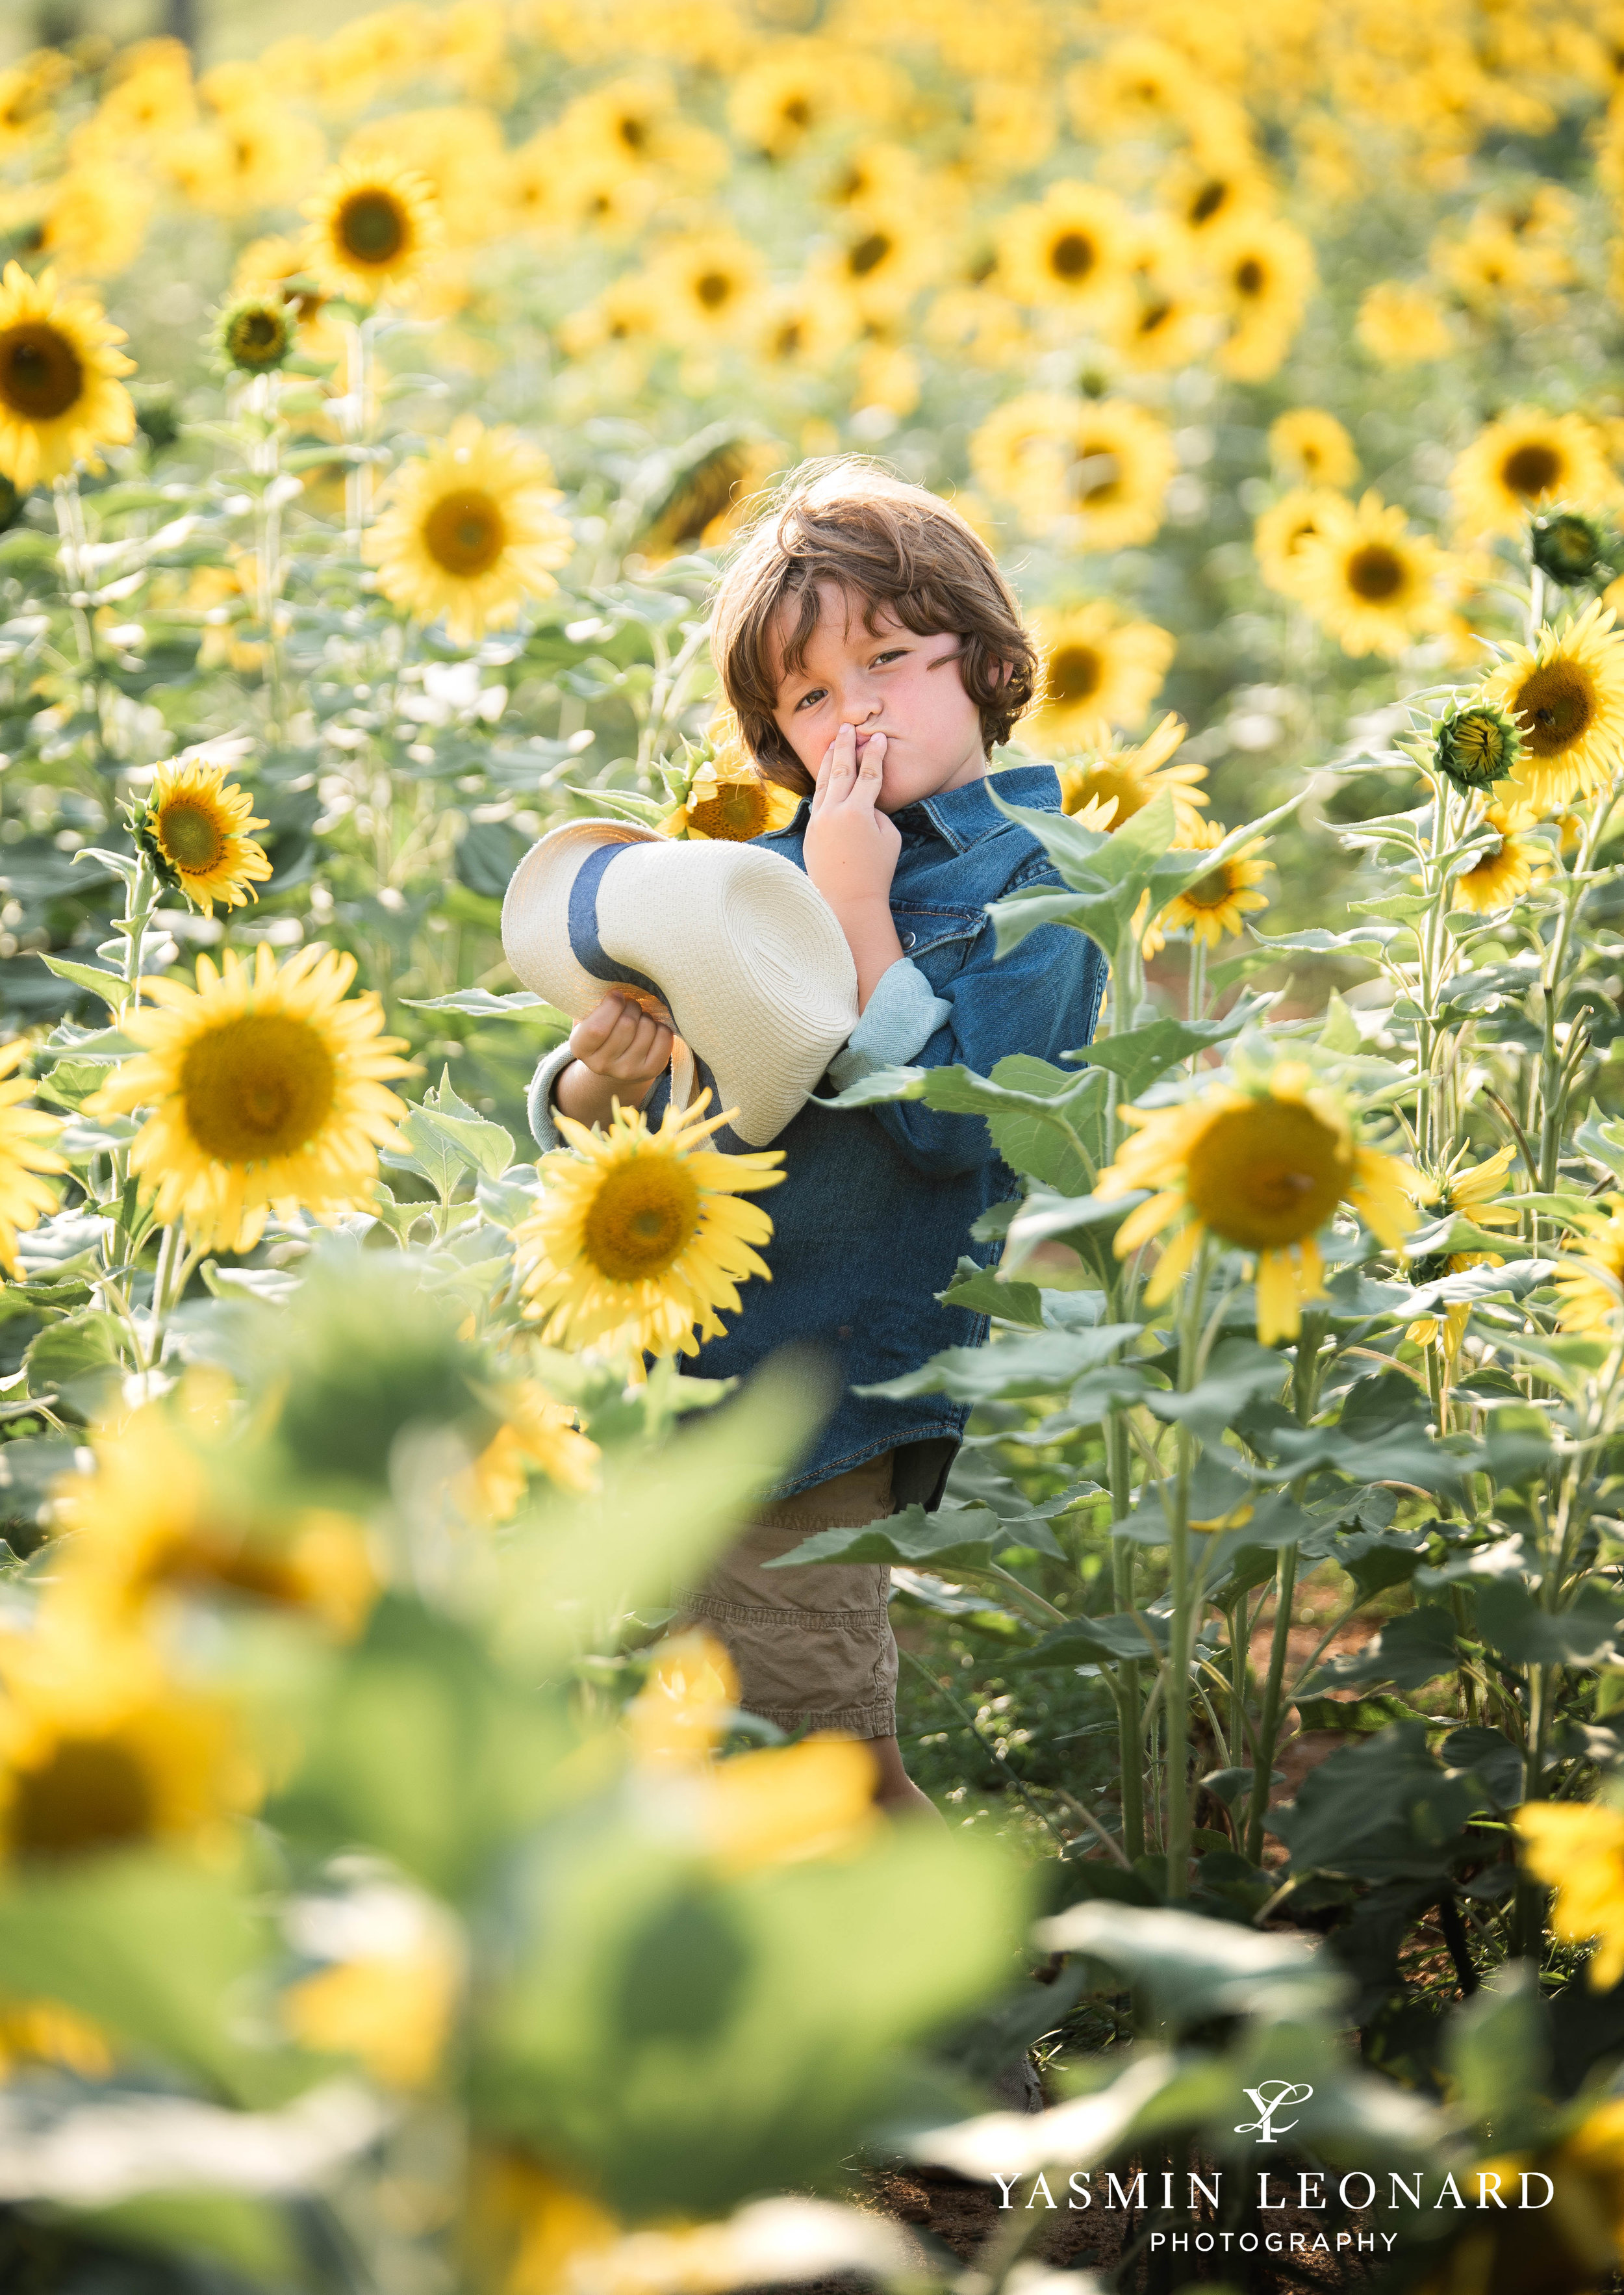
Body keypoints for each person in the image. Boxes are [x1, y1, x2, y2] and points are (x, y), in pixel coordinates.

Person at [527, 462, 1106, 1817]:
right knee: (676, 1745)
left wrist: (857, 910)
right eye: (808, 694)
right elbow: (659, 1113)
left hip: (821, 1392)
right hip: (654, 1375)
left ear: (990, 664)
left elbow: (961, 1130)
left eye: (889, 661)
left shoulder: (1039, 879)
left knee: (823, 1757)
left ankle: (973, 2029)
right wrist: (597, 1080)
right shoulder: (752, 872)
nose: (854, 712)